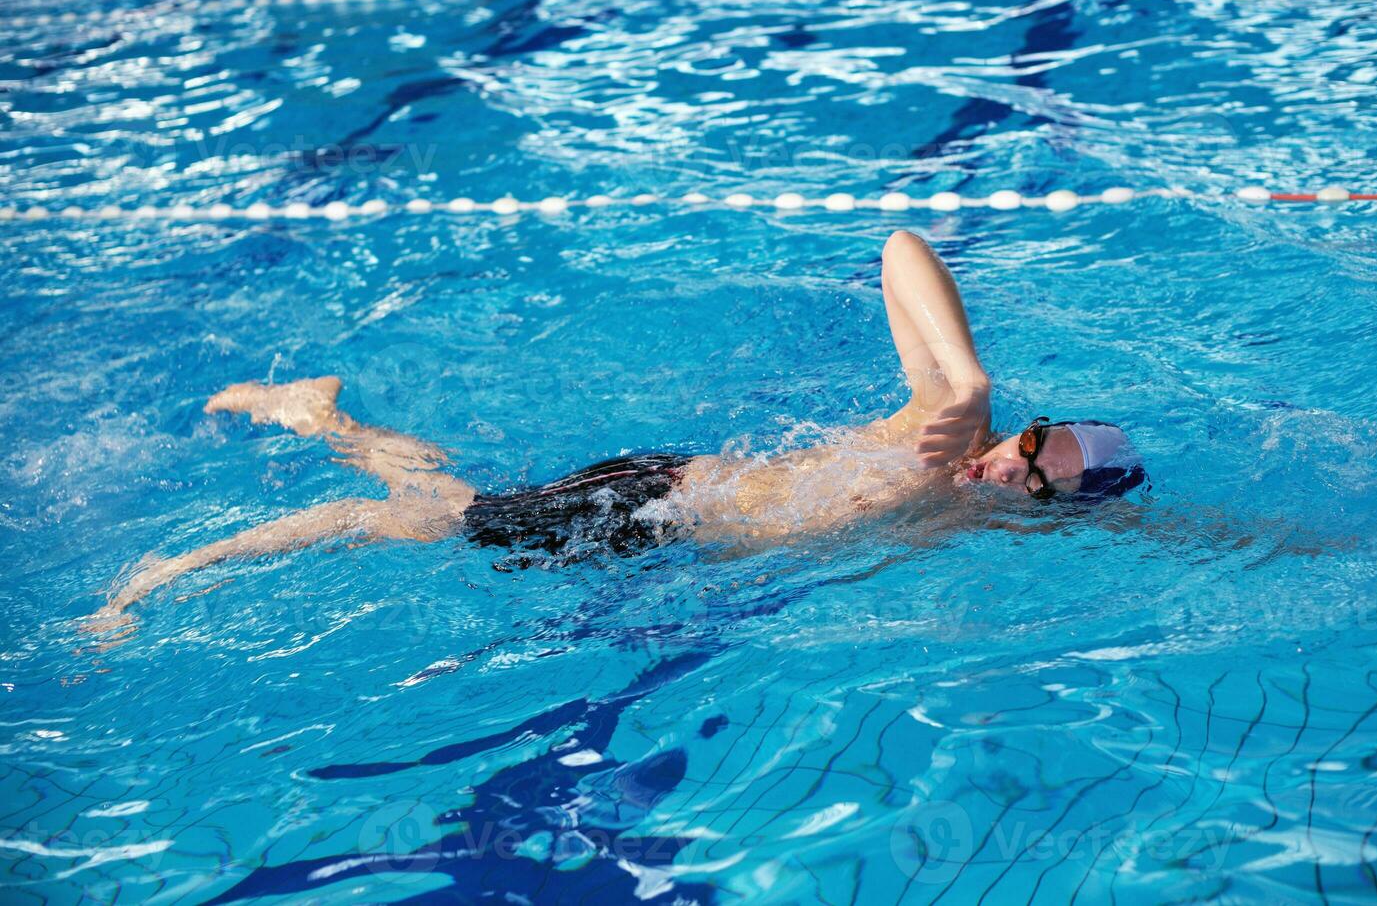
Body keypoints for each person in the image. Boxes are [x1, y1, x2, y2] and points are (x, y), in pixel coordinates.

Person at [82, 230, 1144, 638]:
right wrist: (970, 372)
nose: (1007, 459)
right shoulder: (947, 424)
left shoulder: (985, 520)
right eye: (1032, 435)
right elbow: (901, 244)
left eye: (1035, 478)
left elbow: (1188, 531)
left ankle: (322, 412)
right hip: (654, 502)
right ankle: (161, 571)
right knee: (406, 523)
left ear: (1045, 514)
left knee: (452, 506)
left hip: (666, 520)